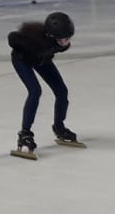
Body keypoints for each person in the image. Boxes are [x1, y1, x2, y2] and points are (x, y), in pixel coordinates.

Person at [8, 11, 79, 159]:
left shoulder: (61, 44)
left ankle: (59, 127)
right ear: (51, 36)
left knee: (61, 91)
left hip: (42, 59)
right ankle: (25, 133)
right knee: (35, 91)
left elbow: (51, 49)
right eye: (63, 38)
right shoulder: (35, 39)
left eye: (68, 38)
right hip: (22, 60)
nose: (66, 42)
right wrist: (22, 45)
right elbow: (12, 37)